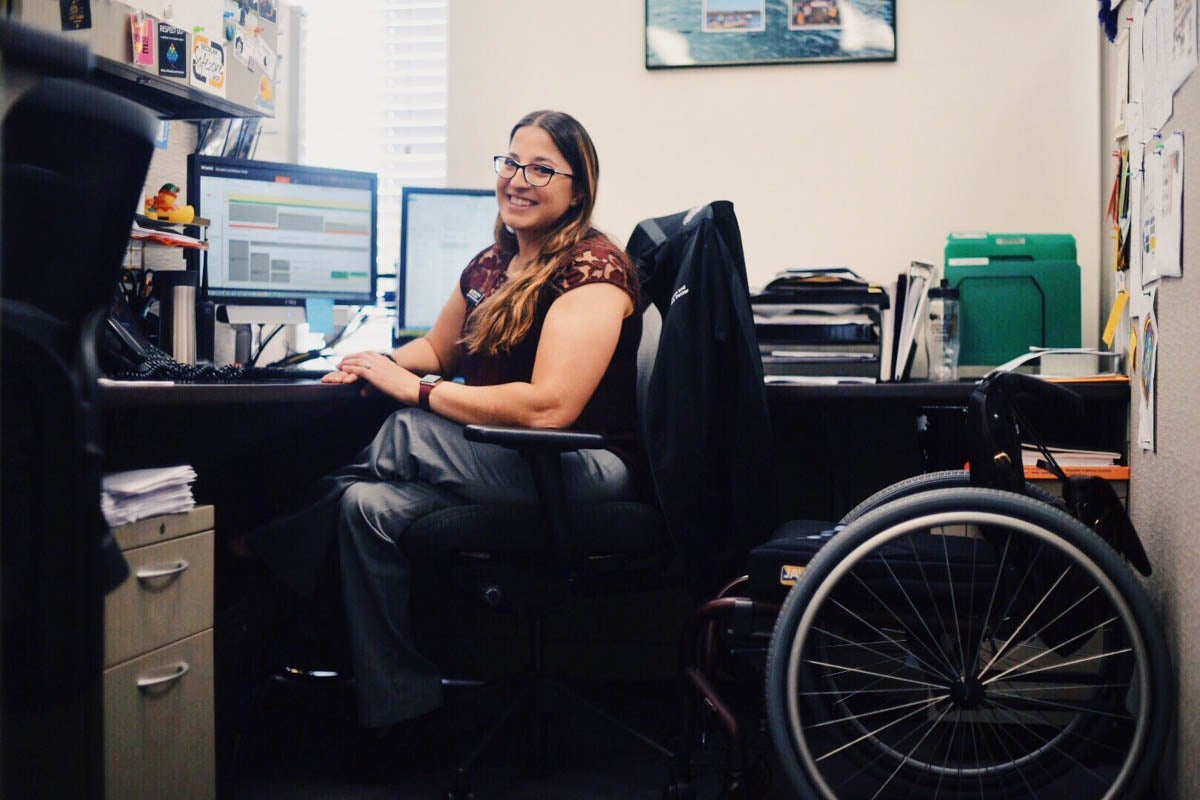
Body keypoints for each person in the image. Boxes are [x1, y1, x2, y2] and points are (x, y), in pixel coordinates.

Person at [242, 109, 644, 732]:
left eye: (542, 168)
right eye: (511, 162)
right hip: (496, 458)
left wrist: (417, 393)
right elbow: (436, 351)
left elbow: (550, 407)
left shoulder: (593, 271)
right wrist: (373, 364)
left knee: (402, 428)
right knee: (364, 509)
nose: (519, 178)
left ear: (577, 191)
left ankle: (256, 550)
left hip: (575, 466)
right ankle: (402, 713)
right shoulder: (493, 262)